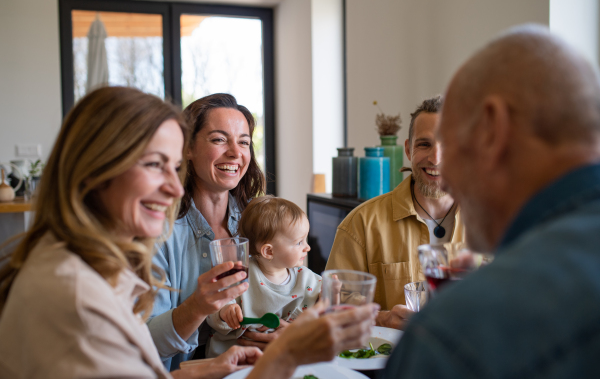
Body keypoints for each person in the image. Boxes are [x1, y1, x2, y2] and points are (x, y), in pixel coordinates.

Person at [0, 86, 379, 379]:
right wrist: (284, 355)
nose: (175, 187)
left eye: (243, 141)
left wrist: (209, 368)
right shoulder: (76, 290)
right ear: (95, 171)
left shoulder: (255, 219)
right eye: (154, 164)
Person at [384, 24, 600, 378]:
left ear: (491, 130)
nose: (443, 172)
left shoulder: (453, 336)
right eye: (426, 146)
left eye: (451, 146)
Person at [147, 94, 280, 370]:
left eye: (244, 142)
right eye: (219, 139)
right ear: (187, 148)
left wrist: (281, 327)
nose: (235, 152)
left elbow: (289, 291)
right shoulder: (157, 232)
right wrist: (196, 307)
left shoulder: (260, 221)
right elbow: (144, 345)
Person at [326, 96, 466, 329]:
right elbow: (330, 305)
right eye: (424, 144)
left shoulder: (496, 224)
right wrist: (381, 318)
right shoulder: (360, 224)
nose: (436, 158)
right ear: (409, 150)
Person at [206, 196, 321, 357]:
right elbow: (211, 307)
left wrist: (332, 294)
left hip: (281, 359)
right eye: (299, 242)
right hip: (233, 360)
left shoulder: (305, 278)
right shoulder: (240, 274)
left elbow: (325, 307)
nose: (307, 247)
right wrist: (225, 311)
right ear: (269, 251)